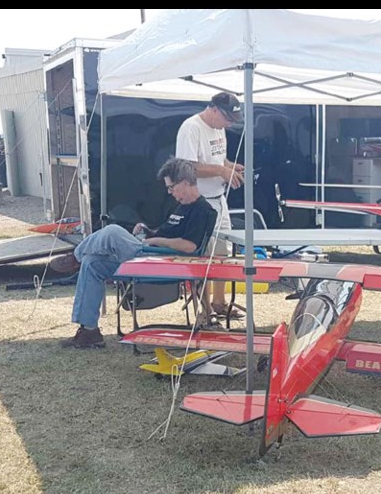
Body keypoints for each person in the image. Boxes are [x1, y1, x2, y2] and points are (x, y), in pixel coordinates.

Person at [50, 157, 216, 349]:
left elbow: (190, 247)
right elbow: (165, 232)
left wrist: (154, 240)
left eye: (171, 187)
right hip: (151, 254)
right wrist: (148, 230)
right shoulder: (180, 207)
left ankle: (75, 257)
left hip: (166, 263)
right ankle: (89, 331)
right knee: (92, 263)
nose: (169, 192)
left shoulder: (202, 210)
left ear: (186, 183)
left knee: (113, 232)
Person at [175, 92, 245, 318]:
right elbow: (187, 167)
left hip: (219, 198)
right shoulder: (191, 128)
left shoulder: (219, 128)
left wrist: (230, 167)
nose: (228, 124)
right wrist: (220, 170)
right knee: (202, 257)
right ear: (214, 110)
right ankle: (204, 312)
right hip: (200, 203)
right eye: (227, 119)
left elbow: (218, 159)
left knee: (222, 253)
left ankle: (219, 302)